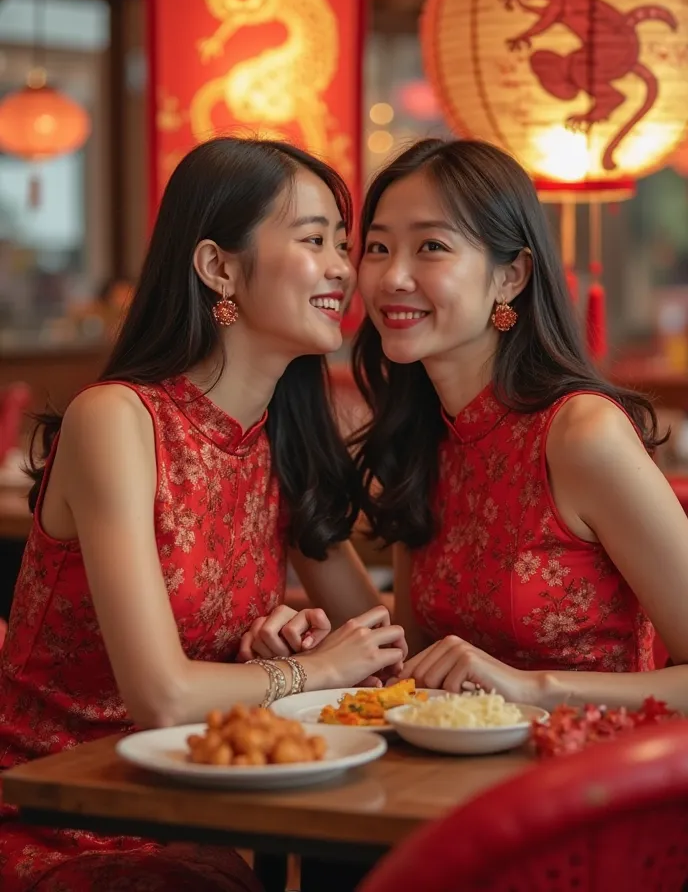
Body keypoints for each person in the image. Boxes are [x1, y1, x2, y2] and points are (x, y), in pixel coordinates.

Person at [0, 137, 405, 892]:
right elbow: (164, 696)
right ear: (219, 267)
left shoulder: (282, 437)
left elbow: (378, 650)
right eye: (315, 240)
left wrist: (300, 637)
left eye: (344, 246)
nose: (345, 269)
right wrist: (312, 669)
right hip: (59, 827)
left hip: (200, 817)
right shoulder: (117, 420)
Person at [345, 136, 688, 713]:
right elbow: (418, 672)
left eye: (431, 246)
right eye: (377, 248)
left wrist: (536, 688)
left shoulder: (582, 434)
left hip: (589, 781)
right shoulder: (424, 437)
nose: (392, 277)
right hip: (448, 778)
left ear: (511, 277)